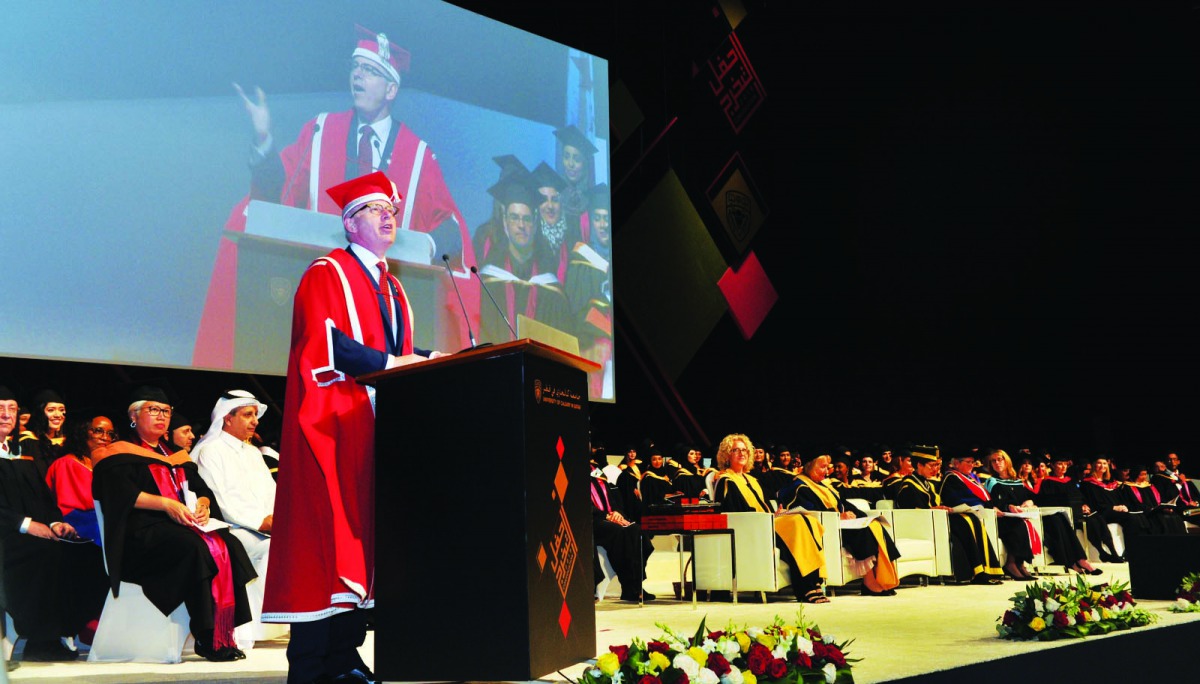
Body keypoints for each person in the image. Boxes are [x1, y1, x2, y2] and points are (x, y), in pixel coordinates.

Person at [196, 24, 478, 368]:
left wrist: (416, 247)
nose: (357, 76)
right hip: (320, 283)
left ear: (391, 89)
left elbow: (450, 227)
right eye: (355, 67)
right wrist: (264, 137)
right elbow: (277, 194)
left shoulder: (417, 153)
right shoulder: (320, 130)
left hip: (383, 293)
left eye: (370, 71)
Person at [264, 171, 447, 684]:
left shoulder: (392, 286)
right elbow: (329, 349)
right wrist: (401, 364)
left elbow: (395, 356)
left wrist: (434, 358)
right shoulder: (326, 272)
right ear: (350, 222)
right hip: (333, 425)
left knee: (365, 544)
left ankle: (346, 655)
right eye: (374, 209)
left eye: (391, 208)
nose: (388, 214)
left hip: (376, 430)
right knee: (325, 545)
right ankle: (312, 663)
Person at [91, 385, 256, 662]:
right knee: (194, 548)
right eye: (153, 410)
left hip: (180, 528)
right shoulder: (116, 454)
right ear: (134, 415)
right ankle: (205, 635)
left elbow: (202, 490)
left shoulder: (175, 456)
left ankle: (223, 632)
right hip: (141, 534)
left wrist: (203, 506)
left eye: (166, 411)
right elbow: (118, 496)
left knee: (229, 542)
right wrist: (166, 504)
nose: (161, 417)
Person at [192, 390, 279, 650]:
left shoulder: (252, 453)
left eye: (255, 416)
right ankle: (248, 627)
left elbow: (272, 492)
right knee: (274, 548)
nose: (255, 421)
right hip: (229, 528)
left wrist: (279, 520)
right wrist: (262, 522)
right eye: (247, 415)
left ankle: (283, 623)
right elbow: (220, 499)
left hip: (264, 527)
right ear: (227, 418)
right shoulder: (209, 450)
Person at [0, 385, 81, 661]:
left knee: (76, 550)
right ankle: (40, 640)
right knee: (43, 553)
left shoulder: (19, 450)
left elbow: (40, 495)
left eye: (11, 408)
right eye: (0, 408)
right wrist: (26, 524)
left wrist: (54, 522)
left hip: (21, 531)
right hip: (6, 534)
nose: (6, 415)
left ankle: (66, 630)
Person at [711, 433, 827, 603]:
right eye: (736, 450)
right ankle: (805, 587)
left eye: (745, 450)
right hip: (752, 530)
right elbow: (732, 513)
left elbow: (764, 506)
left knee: (807, 519)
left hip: (766, 523)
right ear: (727, 455)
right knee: (796, 522)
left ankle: (814, 581)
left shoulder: (751, 480)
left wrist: (775, 513)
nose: (742, 453)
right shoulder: (725, 481)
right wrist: (767, 518)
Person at [778, 454, 901, 597]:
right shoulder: (797, 486)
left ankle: (881, 579)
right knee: (863, 531)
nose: (826, 471)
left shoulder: (823, 486)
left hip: (840, 524)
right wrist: (838, 516)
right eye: (822, 467)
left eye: (827, 467)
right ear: (809, 465)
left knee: (874, 525)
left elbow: (843, 504)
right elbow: (810, 512)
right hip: (826, 529)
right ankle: (869, 582)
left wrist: (861, 516)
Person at [43, 414, 115, 647]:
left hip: (105, 520)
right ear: (84, 431)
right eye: (98, 431)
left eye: (109, 433)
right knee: (104, 542)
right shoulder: (67, 463)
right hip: (77, 519)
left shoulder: (111, 463)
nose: (104, 437)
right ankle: (90, 620)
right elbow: (65, 504)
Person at [477, 180, 572, 345]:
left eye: (526, 219)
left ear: (535, 225)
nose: (521, 225)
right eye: (514, 218)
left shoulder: (552, 291)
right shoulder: (487, 284)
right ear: (505, 223)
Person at [892, 449, 1003, 585]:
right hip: (923, 524)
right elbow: (911, 511)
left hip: (936, 520)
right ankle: (978, 572)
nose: (935, 469)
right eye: (931, 465)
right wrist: (933, 509)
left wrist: (943, 508)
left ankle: (985, 570)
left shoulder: (927, 483)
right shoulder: (908, 484)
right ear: (919, 465)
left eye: (937, 465)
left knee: (971, 519)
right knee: (965, 522)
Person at [983, 449, 1100, 576]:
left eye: (1000, 459)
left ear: (1007, 461)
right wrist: (1008, 506)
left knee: (1059, 517)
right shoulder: (991, 482)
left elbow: (1031, 497)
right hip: (1008, 516)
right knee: (1053, 522)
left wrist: (1030, 501)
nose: (997, 463)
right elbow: (993, 502)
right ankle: (1071, 562)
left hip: (1027, 514)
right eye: (993, 461)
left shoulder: (1016, 481)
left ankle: (1081, 560)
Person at [563, 182, 613, 399]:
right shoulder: (582, 258)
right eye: (598, 218)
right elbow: (576, 309)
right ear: (591, 222)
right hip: (592, 350)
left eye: (607, 218)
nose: (603, 224)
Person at [1032, 453, 1123, 563]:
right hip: (1064, 515)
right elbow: (1047, 500)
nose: (1063, 467)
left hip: (1078, 512)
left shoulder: (1070, 481)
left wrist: (1084, 505)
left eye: (1065, 464)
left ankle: (1112, 552)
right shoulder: (1047, 482)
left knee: (1098, 519)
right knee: (1091, 522)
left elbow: (1080, 497)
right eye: (1060, 464)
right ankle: (1101, 552)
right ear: (1052, 465)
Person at [588, 469, 654, 602]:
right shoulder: (573, 472)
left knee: (637, 531)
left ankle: (636, 584)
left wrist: (617, 512)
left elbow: (613, 498)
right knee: (620, 533)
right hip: (591, 521)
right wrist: (606, 515)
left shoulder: (596, 471)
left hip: (610, 517)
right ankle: (628, 584)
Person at [21, 388, 68, 471]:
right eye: (51, 410)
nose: (58, 415)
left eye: (61, 410)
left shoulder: (67, 443)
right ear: (39, 413)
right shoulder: (26, 441)